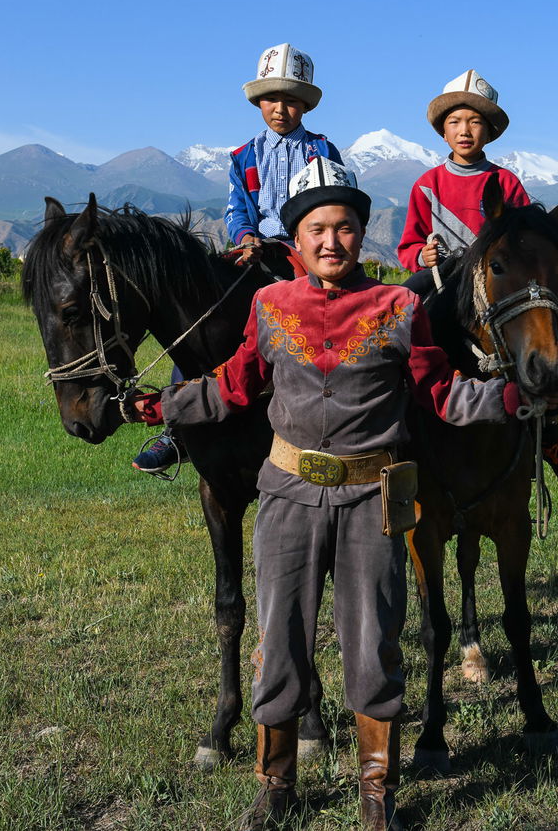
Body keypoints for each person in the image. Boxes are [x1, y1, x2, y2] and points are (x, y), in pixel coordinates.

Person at [128, 158, 525, 831]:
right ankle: (276, 783)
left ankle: (377, 792)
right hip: (285, 493)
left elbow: (440, 394)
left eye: (344, 227)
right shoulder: (269, 305)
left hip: (373, 496)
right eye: (317, 228)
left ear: (363, 233)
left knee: (375, 643)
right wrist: (160, 404)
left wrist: (514, 396)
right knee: (280, 640)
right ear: (297, 238)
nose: (331, 240)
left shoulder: (399, 309)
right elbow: (233, 385)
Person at [132, 42, 343, 474]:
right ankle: (178, 432)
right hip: (254, 248)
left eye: (290, 99)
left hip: (305, 247)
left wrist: (308, 240)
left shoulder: (320, 150)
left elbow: (331, 202)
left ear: (304, 105)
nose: (279, 108)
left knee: (324, 313)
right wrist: (246, 236)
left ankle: (329, 408)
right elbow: (237, 208)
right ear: (257, 102)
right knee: (198, 316)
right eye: (271, 98)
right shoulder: (243, 156)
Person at [397, 69, 558, 485]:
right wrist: (420, 255)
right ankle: (390, 422)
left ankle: (548, 433)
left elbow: (529, 239)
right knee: (396, 327)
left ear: (489, 131)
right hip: (445, 280)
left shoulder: (505, 181)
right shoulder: (427, 185)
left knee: (550, 346)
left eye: (475, 122)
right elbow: (407, 246)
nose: (465, 131)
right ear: (443, 132)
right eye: (455, 123)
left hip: (497, 286)